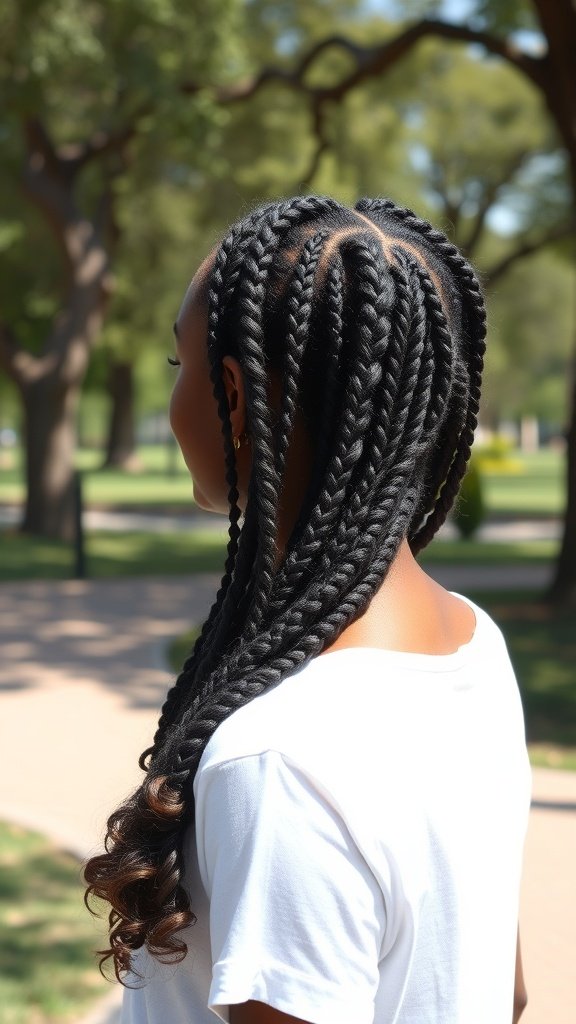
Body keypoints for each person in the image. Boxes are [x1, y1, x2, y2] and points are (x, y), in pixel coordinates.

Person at [85, 196, 531, 1023]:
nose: (175, 391)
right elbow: (501, 992)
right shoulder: (474, 645)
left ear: (234, 392)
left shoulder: (281, 761)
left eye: (178, 365)